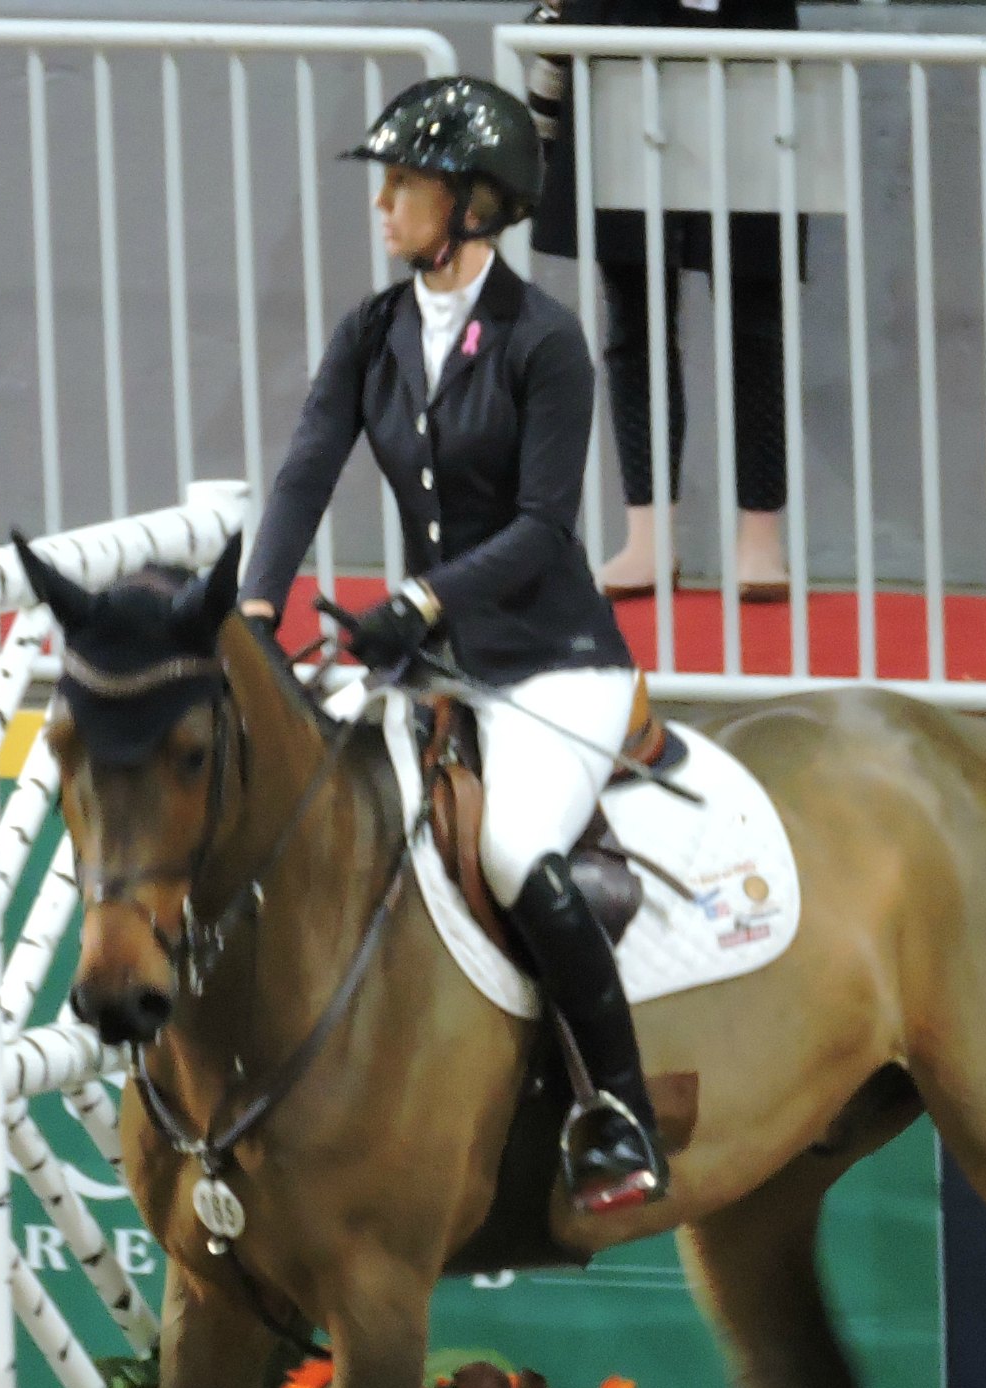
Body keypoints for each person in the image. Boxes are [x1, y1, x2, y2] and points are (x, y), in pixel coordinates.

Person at [237, 76, 668, 1213]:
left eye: (406, 185)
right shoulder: (371, 333)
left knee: (520, 849)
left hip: (549, 661)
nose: (383, 205)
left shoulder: (546, 341)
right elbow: (303, 475)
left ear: (473, 205)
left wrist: (419, 601)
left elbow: (540, 529)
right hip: (425, 665)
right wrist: (249, 612)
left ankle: (617, 1109)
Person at [525, 0, 800, 599]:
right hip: (623, 50)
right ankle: (647, 538)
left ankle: (760, 538)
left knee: (753, 319)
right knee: (633, 321)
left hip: (744, 58)